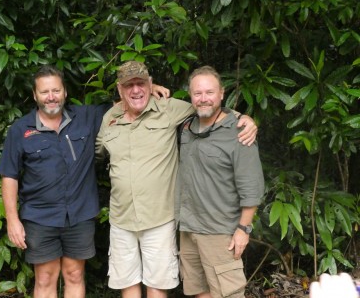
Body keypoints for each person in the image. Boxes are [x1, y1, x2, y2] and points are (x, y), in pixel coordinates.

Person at [0, 64, 170, 298]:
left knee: (75, 275)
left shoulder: (87, 117)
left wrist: (151, 86)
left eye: (56, 91)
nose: (51, 97)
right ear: (35, 95)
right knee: (45, 277)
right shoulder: (21, 130)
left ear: (65, 92)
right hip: (40, 216)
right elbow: (9, 175)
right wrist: (12, 220)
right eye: (45, 92)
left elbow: (128, 101)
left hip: (79, 214)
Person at [95, 61, 258, 298]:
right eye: (128, 86)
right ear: (119, 90)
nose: (135, 90)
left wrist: (245, 118)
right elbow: (97, 153)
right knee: (127, 281)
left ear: (150, 85)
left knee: (158, 283)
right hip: (122, 218)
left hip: (159, 218)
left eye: (141, 83)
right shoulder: (110, 117)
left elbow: (209, 108)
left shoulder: (169, 108)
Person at [175, 65, 265, 298]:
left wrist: (243, 229)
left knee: (228, 294)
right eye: (197, 93)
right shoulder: (187, 127)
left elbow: (251, 186)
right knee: (198, 291)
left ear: (222, 93)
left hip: (220, 233)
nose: (203, 99)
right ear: (190, 96)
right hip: (189, 228)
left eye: (209, 92)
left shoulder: (239, 132)